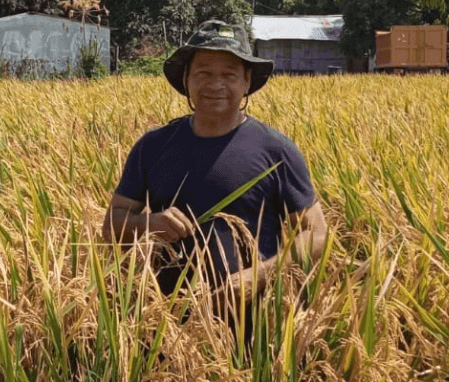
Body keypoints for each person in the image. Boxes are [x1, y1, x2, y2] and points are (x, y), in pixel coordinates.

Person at [101, 20, 327, 317]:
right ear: (186, 80)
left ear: (247, 81)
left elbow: (317, 235)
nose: (215, 84)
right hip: (167, 323)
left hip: (254, 328)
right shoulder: (153, 146)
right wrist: (152, 223)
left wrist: (259, 276)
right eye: (203, 73)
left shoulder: (276, 150)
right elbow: (112, 227)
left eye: (229, 75)